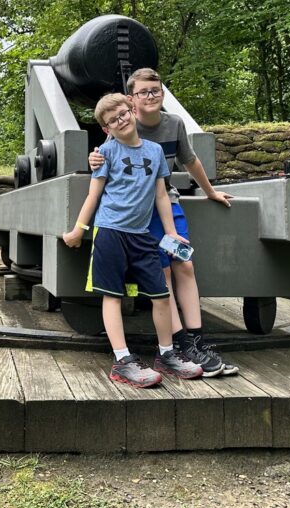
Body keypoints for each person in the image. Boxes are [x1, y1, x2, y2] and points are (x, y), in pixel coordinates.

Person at [89, 68, 239, 376]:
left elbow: (190, 160)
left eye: (156, 91)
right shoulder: (126, 124)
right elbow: (104, 157)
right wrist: (92, 159)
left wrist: (209, 191)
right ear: (131, 100)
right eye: (143, 92)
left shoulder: (174, 124)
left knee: (184, 263)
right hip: (137, 215)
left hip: (166, 204)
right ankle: (179, 343)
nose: (151, 97)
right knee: (163, 272)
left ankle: (195, 341)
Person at [62, 93, 203, 387]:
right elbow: (94, 194)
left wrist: (170, 231)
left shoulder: (153, 152)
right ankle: (122, 360)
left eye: (123, 114)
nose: (121, 120)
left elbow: (161, 195)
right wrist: (78, 229)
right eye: (112, 120)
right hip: (111, 232)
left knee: (161, 295)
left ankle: (166, 354)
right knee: (112, 295)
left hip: (142, 235)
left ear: (132, 111)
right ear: (106, 129)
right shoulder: (106, 153)